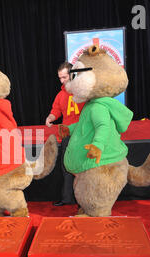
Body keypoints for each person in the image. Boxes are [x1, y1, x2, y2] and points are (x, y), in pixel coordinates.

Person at [45, 62, 85, 206]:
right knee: (65, 166)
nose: (62, 81)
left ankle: (83, 199)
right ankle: (67, 198)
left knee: (82, 167)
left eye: (64, 77)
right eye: (60, 78)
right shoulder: (60, 95)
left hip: (82, 134)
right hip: (67, 134)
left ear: (72, 74)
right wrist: (50, 117)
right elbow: (56, 110)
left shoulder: (83, 91)